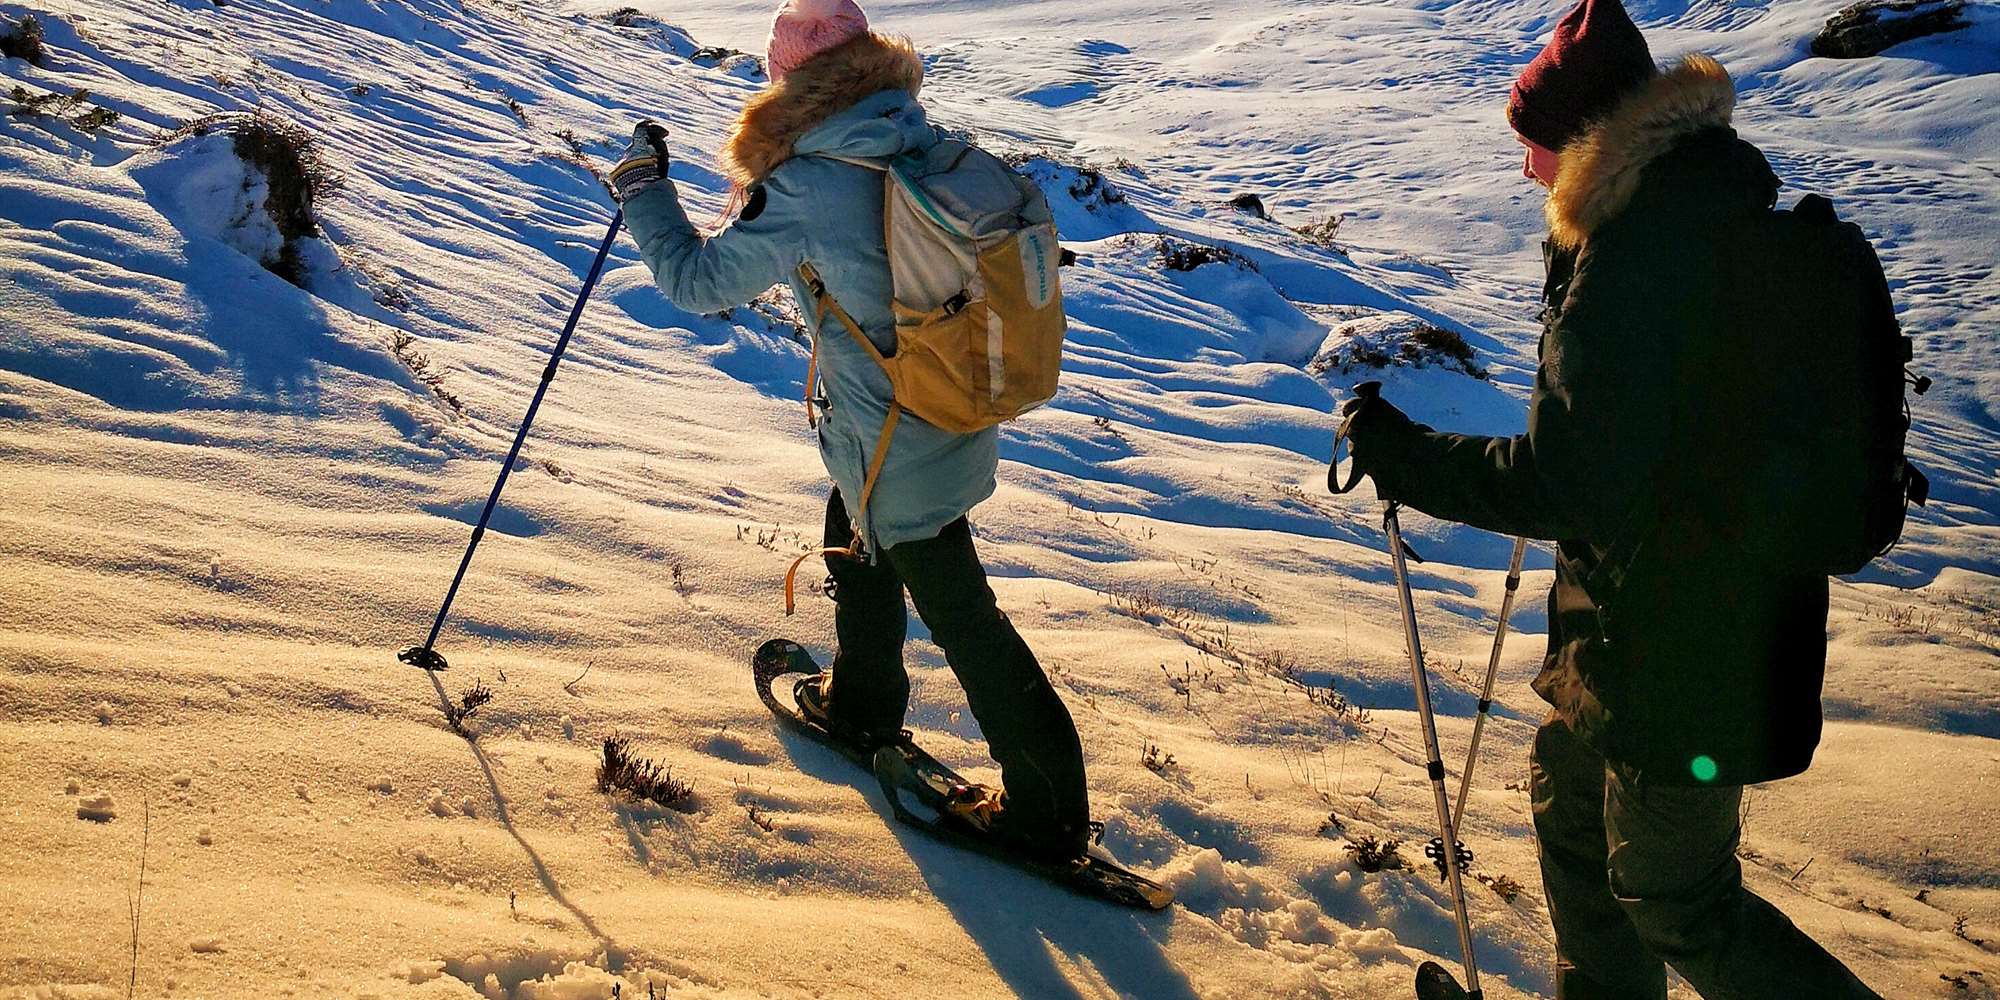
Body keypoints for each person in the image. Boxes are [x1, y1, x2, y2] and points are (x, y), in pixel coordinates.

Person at [1340, 1, 1886, 997]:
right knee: (1570, 811)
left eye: (1535, 147)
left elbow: (1569, 483)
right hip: (1664, 623)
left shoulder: (1637, 255)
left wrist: (1406, 457)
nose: (1525, 170)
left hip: (1683, 646)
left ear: (1589, 142)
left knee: (1675, 897)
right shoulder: (1685, 215)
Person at [606, 0, 1092, 862]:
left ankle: (1048, 806)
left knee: (959, 608)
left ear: (791, 83)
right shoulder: (914, 137)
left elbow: (693, 282)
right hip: (946, 407)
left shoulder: (807, 183)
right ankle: (865, 702)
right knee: (854, 528)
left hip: (895, 432)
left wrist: (644, 192)